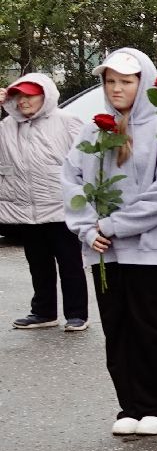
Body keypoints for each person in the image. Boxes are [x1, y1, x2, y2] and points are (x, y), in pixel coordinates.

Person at [63, 48, 157, 435]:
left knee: (149, 326)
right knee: (116, 326)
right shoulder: (93, 130)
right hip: (105, 248)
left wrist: (114, 225)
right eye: (110, 81)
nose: (117, 89)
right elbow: (72, 182)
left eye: (126, 81)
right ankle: (130, 406)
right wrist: (87, 228)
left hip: (152, 245)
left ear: (144, 83)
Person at [2, 75, 89, 331]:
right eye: (19, 96)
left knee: (70, 263)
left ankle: (77, 314)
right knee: (38, 265)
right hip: (25, 208)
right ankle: (43, 312)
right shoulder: (6, 125)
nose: (24, 101)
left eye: (30, 95)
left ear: (46, 96)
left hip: (61, 208)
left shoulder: (67, 122)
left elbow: (86, 160)